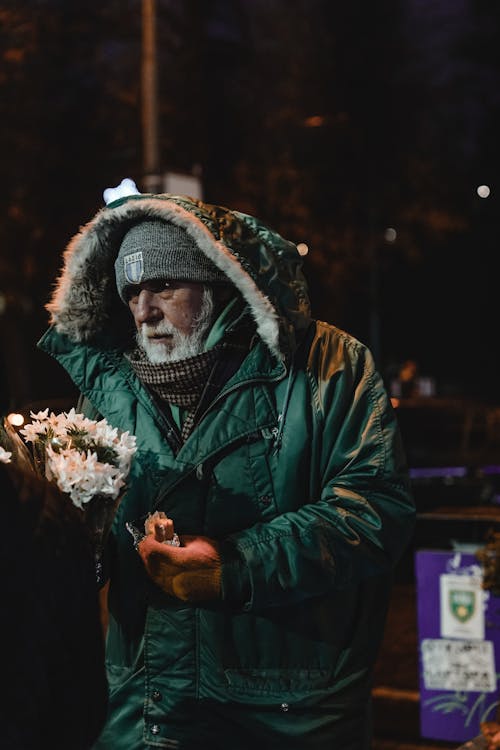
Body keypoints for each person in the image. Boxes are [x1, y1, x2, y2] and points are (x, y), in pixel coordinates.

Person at [38, 192, 415, 749]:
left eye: (165, 286)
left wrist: (235, 565)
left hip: (287, 708)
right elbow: (87, 537)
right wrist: (79, 540)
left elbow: (374, 509)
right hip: (148, 707)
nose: (144, 309)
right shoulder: (108, 389)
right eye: (132, 292)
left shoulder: (328, 367)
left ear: (218, 282)